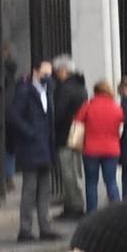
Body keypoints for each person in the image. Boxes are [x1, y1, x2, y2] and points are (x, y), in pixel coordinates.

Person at [10, 59, 59, 242]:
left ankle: (45, 227)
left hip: (45, 147)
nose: (48, 78)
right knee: (29, 190)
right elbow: (14, 115)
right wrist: (30, 132)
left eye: (50, 74)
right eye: (45, 74)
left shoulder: (49, 92)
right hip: (31, 148)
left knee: (45, 190)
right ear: (35, 72)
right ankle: (25, 229)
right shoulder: (25, 91)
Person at [72, 79, 125, 214]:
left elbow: (77, 121)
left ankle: (91, 213)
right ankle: (117, 212)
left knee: (91, 183)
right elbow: (122, 121)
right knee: (111, 182)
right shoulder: (116, 107)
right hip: (112, 149)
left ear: (95, 92)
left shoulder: (88, 105)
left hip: (91, 149)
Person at [50, 56, 89, 219]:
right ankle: (74, 204)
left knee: (68, 171)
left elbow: (58, 112)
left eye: (57, 71)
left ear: (64, 70)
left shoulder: (66, 88)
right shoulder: (81, 86)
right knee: (75, 170)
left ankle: (74, 206)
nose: (55, 74)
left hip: (66, 133)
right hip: (78, 131)